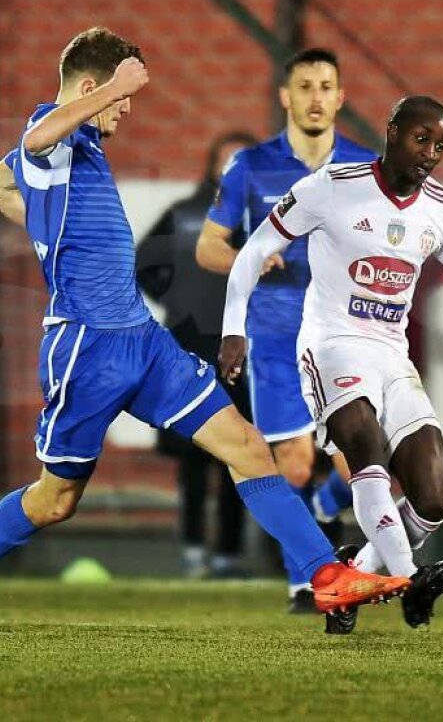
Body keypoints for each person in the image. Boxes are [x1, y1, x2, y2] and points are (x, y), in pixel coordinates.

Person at [0, 27, 409, 631]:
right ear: (89, 88)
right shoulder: (54, 131)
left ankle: (324, 575)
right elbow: (35, 137)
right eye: (121, 98)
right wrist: (112, 89)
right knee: (57, 500)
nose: (126, 111)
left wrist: (43, 222)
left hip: (144, 341)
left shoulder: (77, 146)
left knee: (246, 446)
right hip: (86, 347)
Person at [220, 96, 443, 633]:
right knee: (364, 451)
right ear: (391, 133)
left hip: (391, 356)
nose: (430, 154)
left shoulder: (439, 209)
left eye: (440, 145)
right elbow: (254, 251)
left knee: (434, 496)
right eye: (421, 140)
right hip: (331, 345)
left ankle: (353, 580)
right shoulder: (332, 187)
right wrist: (234, 328)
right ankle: (410, 577)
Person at [195, 48, 373, 612]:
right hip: (273, 336)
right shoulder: (251, 166)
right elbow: (207, 247)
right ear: (286, 97)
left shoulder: (367, 168)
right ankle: (306, 578)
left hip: (345, 334)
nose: (316, 97)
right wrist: (249, 256)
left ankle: (325, 506)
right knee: (292, 462)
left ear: (340, 97)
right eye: (305, 86)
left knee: (364, 468)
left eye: (326, 86)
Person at [135, 130, 259, 579]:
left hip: (243, 354)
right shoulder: (185, 215)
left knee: (238, 456)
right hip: (186, 349)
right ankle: (192, 551)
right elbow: (143, 264)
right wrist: (176, 302)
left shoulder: (263, 223)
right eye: (225, 162)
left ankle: (229, 554)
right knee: (191, 459)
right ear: (211, 165)